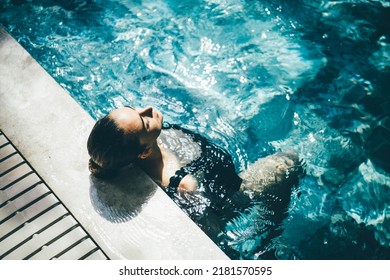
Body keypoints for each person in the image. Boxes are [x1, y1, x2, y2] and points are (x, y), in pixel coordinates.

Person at [87, 105, 303, 257]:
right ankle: (272, 236)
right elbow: (213, 231)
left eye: (133, 108)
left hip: (218, 178)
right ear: (144, 152)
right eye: (144, 122)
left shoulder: (130, 147)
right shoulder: (183, 184)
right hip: (234, 194)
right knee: (290, 161)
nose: (148, 109)